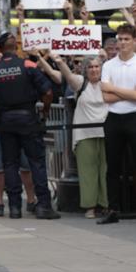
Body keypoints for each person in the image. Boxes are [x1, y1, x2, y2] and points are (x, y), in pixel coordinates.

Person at [0, 33, 59, 220]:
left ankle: (14, 208)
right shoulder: (28, 66)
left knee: (10, 164)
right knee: (36, 163)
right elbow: (47, 91)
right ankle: (44, 206)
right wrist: (45, 109)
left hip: (5, 122)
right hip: (28, 119)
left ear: (1, 47)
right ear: (15, 47)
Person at [98, 23, 136, 225]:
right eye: (120, 39)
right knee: (112, 166)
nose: (122, 43)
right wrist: (127, 93)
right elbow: (105, 97)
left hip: (135, 116)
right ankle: (113, 208)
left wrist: (114, 88)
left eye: (126, 39)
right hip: (113, 118)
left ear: (134, 42)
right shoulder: (108, 65)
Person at [0, 43, 37, 216]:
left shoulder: (18, 68)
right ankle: (0, 204)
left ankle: (30, 200)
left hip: (15, 124)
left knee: (25, 166)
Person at [52, 55, 109, 219]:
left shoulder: (107, 84)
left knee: (104, 170)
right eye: (90, 67)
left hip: (105, 133)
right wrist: (60, 61)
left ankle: (105, 205)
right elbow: (68, 76)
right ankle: (90, 207)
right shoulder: (80, 83)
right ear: (85, 69)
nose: (94, 70)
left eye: (97, 66)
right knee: (87, 172)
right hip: (84, 135)